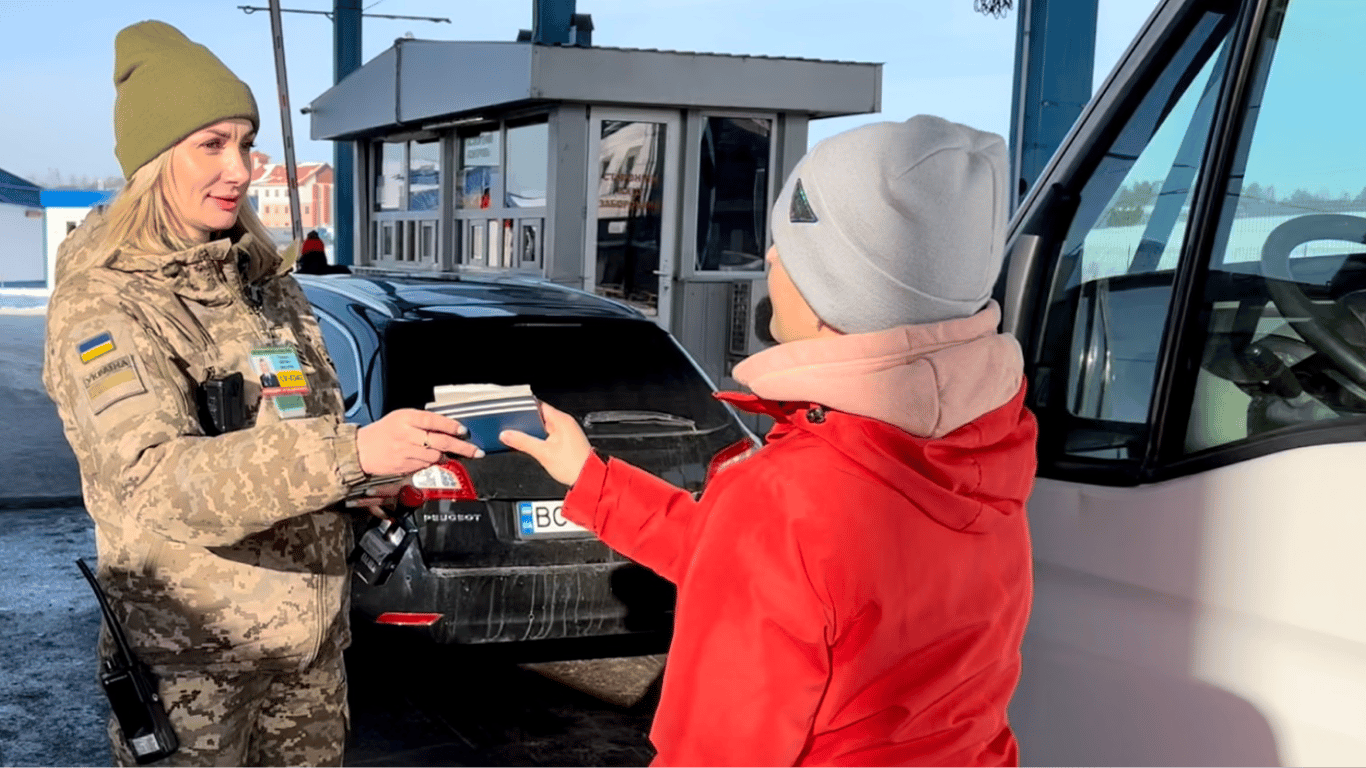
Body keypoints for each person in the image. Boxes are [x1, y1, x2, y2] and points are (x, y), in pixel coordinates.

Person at [502, 115, 1038, 767]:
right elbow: (760, 569)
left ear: (834, 294)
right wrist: (591, 480)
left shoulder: (787, 499)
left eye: (790, 246)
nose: (770, 258)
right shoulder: (981, 455)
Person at [42, 20, 482, 767]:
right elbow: (157, 480)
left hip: (307, 652)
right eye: (211, 144)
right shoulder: (106, 307)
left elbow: (292, 438)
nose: (240, 168)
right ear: (153, 160)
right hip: (195, 672)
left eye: (245, 143)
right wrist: (349, 455)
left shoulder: (261, 284)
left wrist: (355, 489)